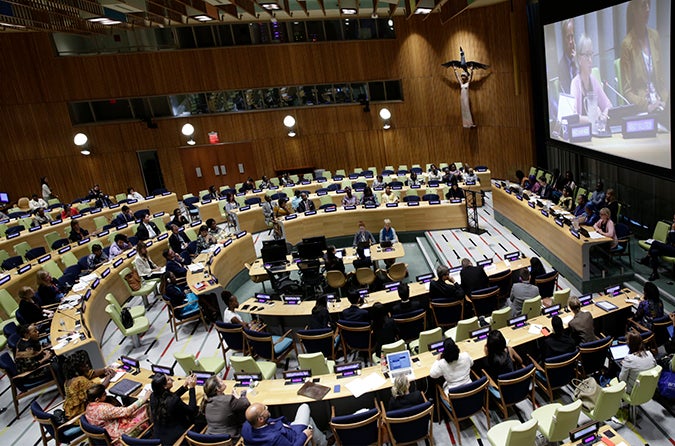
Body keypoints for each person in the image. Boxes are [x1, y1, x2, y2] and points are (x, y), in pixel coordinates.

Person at [620, 0, 668, 114]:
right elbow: (627, 92)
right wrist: (647, 106)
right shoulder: (627, 45)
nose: (647, 9)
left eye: (648, 5)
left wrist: (665, 102)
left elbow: (661, 81)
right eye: (643, 6)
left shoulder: (654, 36)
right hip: (642, 108)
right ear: (634, 10)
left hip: (660, 103)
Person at [570, 34, 612, 129]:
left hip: (597, 132)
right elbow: (574, 117)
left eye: (591, 54)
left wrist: (603, 116)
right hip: (583, 135)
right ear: (579, 59)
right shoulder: (575, 84)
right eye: (587, 55)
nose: (590, 60)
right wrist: (592, 119)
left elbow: (608, 105)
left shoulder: (593, 80)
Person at [85, 383, 150, 444]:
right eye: (104, 394)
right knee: (146, 408)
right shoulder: (102, 409)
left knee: (137, 408)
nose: (106, 395)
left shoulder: (89, 406)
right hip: (119, 436)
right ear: (97, 400)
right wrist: (144, 398)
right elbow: (126, 411)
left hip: (109, 429)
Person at [241, 402, 326, 446]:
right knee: (304, 407)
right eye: (265, 408)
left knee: (310, 421)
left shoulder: (246, 426)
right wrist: (304, 434)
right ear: (260, 419)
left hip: (284, 429)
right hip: (294, 434)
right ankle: (324, 443)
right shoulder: (274, 438)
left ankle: (323, 442)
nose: (267, 407)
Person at [150, 372, 198, 444]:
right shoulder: (174, 401)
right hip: (175, 438)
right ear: (164, 386)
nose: (171, 380)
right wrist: (192, 388)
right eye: (169, 379)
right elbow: (192, 410)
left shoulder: (153, 396)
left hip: (158, 434)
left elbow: (167, 399)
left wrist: (185, 385)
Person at [640, 212, 675, 281]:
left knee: (655, 243)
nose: (673, 221)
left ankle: (647, 258)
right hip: (670, 248)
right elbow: (670, 241)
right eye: (673, 218)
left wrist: (673, 230)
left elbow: (673, 241)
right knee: (654, 251)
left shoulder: (674, 228)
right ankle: (655, 273)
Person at [558, 19, 577, 95]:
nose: (570, 41)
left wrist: (578, 65)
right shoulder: (561, 66)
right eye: (568, 37)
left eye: (572, 36)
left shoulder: (579, 59)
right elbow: (567, 93)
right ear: (563, 39)